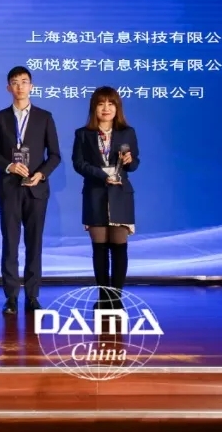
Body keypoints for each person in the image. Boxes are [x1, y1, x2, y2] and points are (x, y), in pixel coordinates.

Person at [0, 67, 61, 315]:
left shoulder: (44, 117)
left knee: (34, 243)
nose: (20, 86)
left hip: (36, 189)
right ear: (9, 88)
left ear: (32, 86)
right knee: (10, 243)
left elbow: (55, 155)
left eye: (24, 82)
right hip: (9, 188)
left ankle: (32, 295)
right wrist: (9, 165)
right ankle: (11, 297)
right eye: (15, 82)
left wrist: (41, 174)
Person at [71, 86, 139, 309]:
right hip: (95, 194)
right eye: (101, 104)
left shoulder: (127, 132)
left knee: (119, 248)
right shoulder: (83, 134)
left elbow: (135, 164)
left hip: (120, 195)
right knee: (99, 250)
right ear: (94, 108)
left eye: (111, 104)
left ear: (117, 108)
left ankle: (116, 299)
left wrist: (129, 161)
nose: (106, 108)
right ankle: (103, 298)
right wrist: (102, 175)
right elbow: (78, 164)